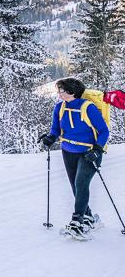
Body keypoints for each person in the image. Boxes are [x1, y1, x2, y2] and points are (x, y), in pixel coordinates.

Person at [39, 78, 109, 237]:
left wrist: (98, 149)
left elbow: (104, 131)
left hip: (89, 153)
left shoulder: (88, 107)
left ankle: (77, 223)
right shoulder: (60, 107)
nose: (59, 93)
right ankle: (89, 217)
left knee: (81, 183)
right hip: (68, 151)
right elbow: (55, 130)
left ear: (72, 91)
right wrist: (50, 138)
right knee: (75, 186)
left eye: (62, 90)